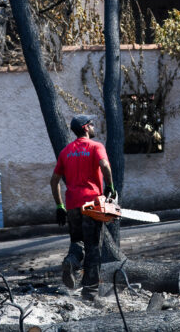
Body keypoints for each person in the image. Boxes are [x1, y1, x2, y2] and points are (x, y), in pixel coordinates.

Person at [50, 114, 115, 300]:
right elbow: (105, 166)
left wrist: (59, 206)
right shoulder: (96, 147)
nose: (94, 126)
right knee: (93, 249)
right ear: (86, 128)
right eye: (92, 124)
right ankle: (90, 293)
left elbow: (54, 180)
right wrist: (110, 187)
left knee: (78, 242)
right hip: (92, 204)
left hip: (71, 205)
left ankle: (71, 262)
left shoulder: (65, 152)